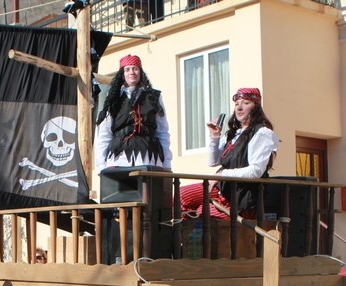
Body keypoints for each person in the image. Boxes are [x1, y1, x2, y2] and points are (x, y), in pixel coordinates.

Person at [180, 87, 279, 220]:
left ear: (256, 106)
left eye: (245, 103)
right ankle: (183, 237)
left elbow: (255, 171)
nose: (239, 107)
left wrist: (222, 175)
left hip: (241, 196)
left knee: (203, 218)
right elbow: (213, 161)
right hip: (222, 188)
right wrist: (214, 137)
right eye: (237, 104)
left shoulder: (262, 133)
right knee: (180, 198)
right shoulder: (233, 134)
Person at [94, 54, 172, 172]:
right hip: (119, 157)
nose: (132, 72)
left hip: (148, 156)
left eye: (135, 68)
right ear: (122, 74)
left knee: (146, 189)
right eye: (127, 69)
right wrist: (101, 166)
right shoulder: (113, 98)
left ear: (140, 72)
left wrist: (166, 163)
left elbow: (162, 132)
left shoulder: (154, 97)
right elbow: (104, 134)